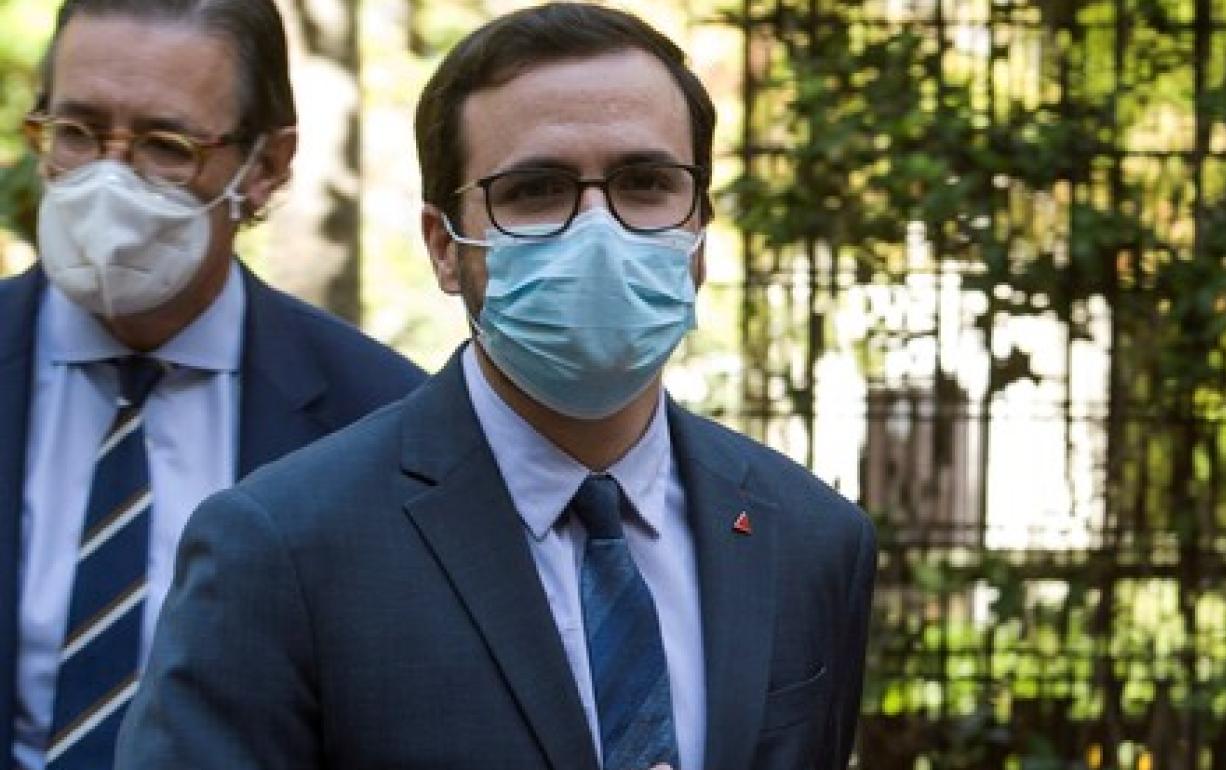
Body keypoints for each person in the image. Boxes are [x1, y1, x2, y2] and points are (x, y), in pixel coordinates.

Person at [116, 3, 876, 769]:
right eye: (535, 190)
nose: (598, 230)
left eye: (646, 183)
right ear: (444, 247)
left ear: (699, 231)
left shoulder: (811, 540)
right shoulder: (283, 548)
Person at [0, 1, 427, 768]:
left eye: (166, 146)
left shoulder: (382, 418)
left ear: (265, 167)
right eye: (77, 132)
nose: (108, 181)